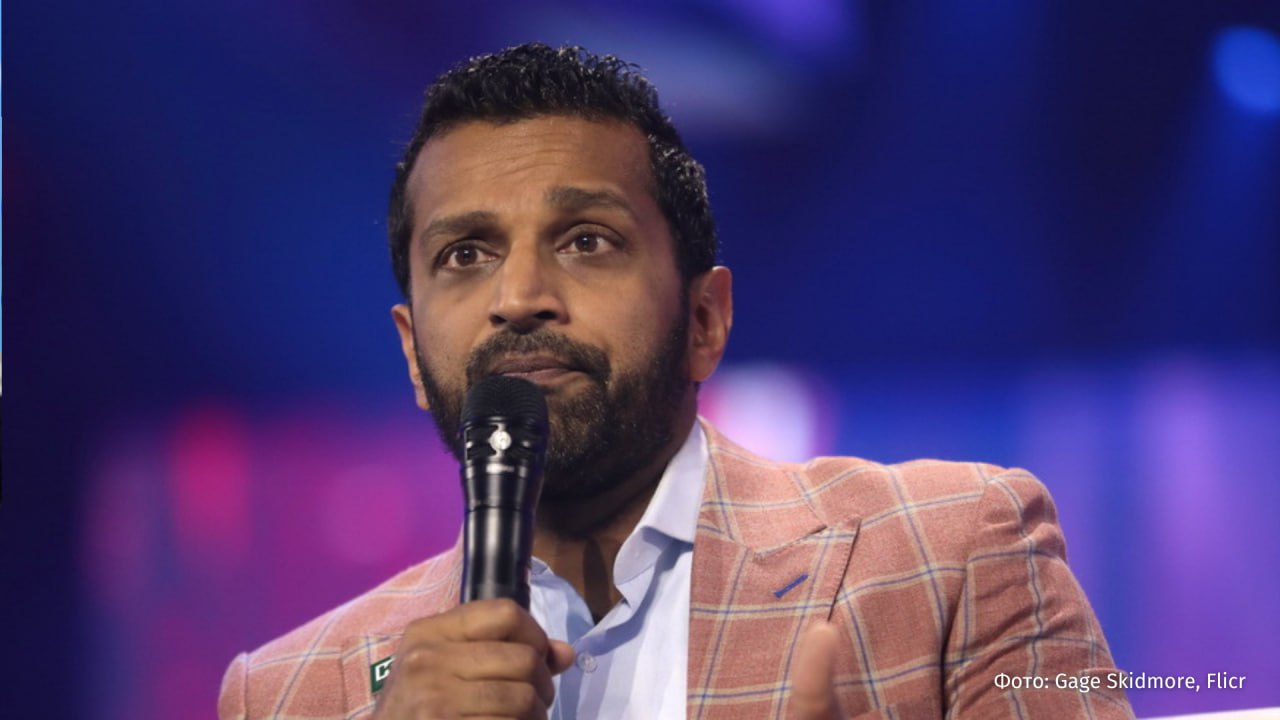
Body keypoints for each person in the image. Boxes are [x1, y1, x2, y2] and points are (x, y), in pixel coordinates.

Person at [219, 43, 1134, 719]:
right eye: (465, 253)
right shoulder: (290, 693)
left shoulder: (954, 557)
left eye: (587, 240)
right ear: (413, 354)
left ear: (705, 320)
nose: (519, 297)